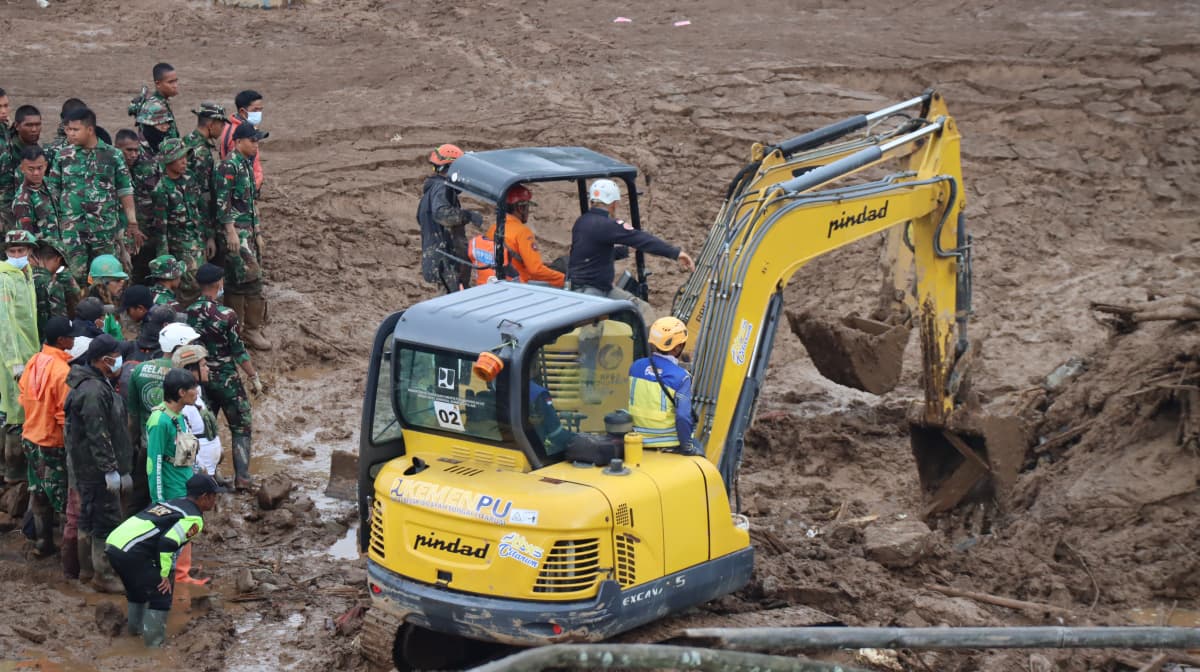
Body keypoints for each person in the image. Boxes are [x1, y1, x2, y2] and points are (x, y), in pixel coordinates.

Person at [105, 472, 221, 648]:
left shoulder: (173, 503)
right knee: (161, 594)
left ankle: (134, 632)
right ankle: (154, 648)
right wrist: (164, 573)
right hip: (132, 551)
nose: (215, 501)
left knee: (137, 591)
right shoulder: (194, 518)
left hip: (114, 543)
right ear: (205, 497)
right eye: (214, 496)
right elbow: (167, 543)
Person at [64, 333, 134, 593]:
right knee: (105, 520)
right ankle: (103, 575)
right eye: (116, 358)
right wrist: (110, 470)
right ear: (104, 360)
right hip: (95, 470)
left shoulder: (95, 383)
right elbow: (98, 434)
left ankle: (86, 571)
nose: (120, 363)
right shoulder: (93, 391)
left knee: (88, 517)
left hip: (89, 468)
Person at [568, 179, 694, 321]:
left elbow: (593, 253)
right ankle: (650, 342)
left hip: (592, 289)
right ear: (613, 203)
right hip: (593, 292)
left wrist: (625, 251)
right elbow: (642, 239)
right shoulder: (607, 225)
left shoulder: (582, 222)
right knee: (596, 332)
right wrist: (676, 253)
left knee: (641, 309)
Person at [45, 107, 145, 285]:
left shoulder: (112, 155)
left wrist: (132, 223)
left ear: (90, 130)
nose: (70, 134)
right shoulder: (62, 156)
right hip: (73, 234)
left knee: (107, 279)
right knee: (75, 279)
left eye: (75, 130)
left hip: (104, 232)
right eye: (68, 129)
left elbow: (125, 190)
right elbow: (53, 192)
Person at [188, 264, 263, 489]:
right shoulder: (226, 314)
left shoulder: (189, 312)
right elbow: (238, 350)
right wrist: (253, 377)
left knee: (205, 427)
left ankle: (209, 476)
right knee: (241, 426)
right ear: (219, 284)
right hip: (227, 379)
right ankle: (242, 478)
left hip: (200, 379)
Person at [126, 321, 199, 512]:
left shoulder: (141, 369)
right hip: (167, 455)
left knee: (137, 498)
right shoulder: (186, 374)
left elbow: (132, 414)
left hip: (145, 444)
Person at [17, 317, 75, 556]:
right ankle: (68, 552)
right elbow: (64, 413)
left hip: (30, 438)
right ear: (62, 340)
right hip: (52, 442)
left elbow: (22, 393)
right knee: (62, 498)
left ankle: (43, 543)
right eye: (71, 336)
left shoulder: (34, 361)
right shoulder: (62, 372)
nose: (74, 339)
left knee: (39, 492)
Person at [216, 123, 271, 350]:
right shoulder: (229, 166)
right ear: (238, 142)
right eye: (253, 140)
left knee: (252, 279)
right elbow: (222, 202)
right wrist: (230, 231)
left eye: (257, 140)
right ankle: (242, 331)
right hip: (236, 233)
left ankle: (250, 328)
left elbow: (251, 202)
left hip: (247, 231)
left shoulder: (246, 165)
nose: (256, 144)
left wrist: (257, 232)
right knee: (241, 280)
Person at [1, 230, 40, 484]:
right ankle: (11, 474)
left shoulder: (26, 276)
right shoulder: (5, 279)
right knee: (14, 411)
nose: (17, 255)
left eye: (21, 251)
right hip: (11, 358)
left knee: (24, 408)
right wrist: (14, 362)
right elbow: (4, 324)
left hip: (29, 353)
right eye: (12, 251)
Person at [417, 143, 481, 293]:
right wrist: (467, 215)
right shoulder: (441, 188)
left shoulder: (432, 192)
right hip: (445, 262)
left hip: (441, 260)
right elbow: (442, 215)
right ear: (450, 169)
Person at [627, 316, 696, 453]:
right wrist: (687, 447)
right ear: (677, 348)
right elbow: (683, 417)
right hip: (668, 443)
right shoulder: (681, 377)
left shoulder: (635, 367)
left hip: (636, 441)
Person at [473, 184, 564, 287]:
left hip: (497, 281)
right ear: (521, 208)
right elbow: (535, 270)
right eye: (527, 207)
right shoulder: (523, 233)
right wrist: (563, 279)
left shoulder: (494, 228)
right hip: (520, 285)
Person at [153, 139, 205, 301]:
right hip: (180, 249)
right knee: (189, 289)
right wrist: (165, 258)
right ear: (168, 161)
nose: (184, 161)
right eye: (179, 157)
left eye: (185, 157)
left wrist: (208, 237)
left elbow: (200, 209)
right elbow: (161, 228)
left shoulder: (190, 178)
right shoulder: (161, 189)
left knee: (203, 284)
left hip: (198, 244)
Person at [115, 128, 164, 282]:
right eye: (129, 150)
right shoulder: (109, 169)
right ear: (117, 147)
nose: (134, 154)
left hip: (146, 232)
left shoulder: (147, 167)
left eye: (136, 150)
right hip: (122, 234)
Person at [183, 103, 228, 264]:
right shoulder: (202, 152)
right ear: (211, 124)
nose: (223, 128)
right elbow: (203, 195)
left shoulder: (186, 141)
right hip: (196, 220)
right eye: (221, 124)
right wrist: (209, 234)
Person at [172, 344, 221, 480]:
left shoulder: (196, 395)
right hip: (198, 478)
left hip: (207, 473)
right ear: (190, 370)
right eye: (204, 366)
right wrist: (199, 470)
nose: (208, 369)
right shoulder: (184, 404)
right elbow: (184, 449)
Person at [30, 238, 81, 340]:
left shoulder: (22, 279)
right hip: (47, 346)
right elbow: (60, 322)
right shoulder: (53, 285)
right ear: (58, 260)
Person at [217, 90, 264, 190]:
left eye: (261, 110)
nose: (259, 113)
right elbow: (237, 167)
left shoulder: (237, 127)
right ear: (242, 111)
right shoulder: (238, 134)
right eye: (255, 110)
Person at [0, 105, 43, 215]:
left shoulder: (38, 151)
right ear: (17, 126)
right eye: (28, 125)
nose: (34, 129)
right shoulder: (7, 151)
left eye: (37, 125)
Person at [13, 145, 60, 239]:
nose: (36, 173)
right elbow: (27, 238)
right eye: (31, 169)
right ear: (22, 169)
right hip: (44, 251)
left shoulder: (50, 184)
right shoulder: (22, 201)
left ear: (46, 165)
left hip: (62, 247)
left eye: (40, 168)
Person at [128, 62, 180, 143]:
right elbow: (167, 145)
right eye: (170, 82)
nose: (175, 85)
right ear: (158, 84)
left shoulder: (159, 102)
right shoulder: (157, 108)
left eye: (176, 81)